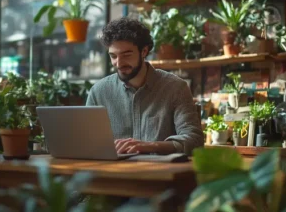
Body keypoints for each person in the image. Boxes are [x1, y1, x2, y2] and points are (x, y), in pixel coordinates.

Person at [86, 17, 204, 155]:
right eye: (113, 56)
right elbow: (86, 142)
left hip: (160, 174)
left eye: (127, 55)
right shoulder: (99, 92)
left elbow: (195, 141)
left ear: (144, 51)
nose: (119, 64)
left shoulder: (175, 88)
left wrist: (151, 146)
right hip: (113, 173)